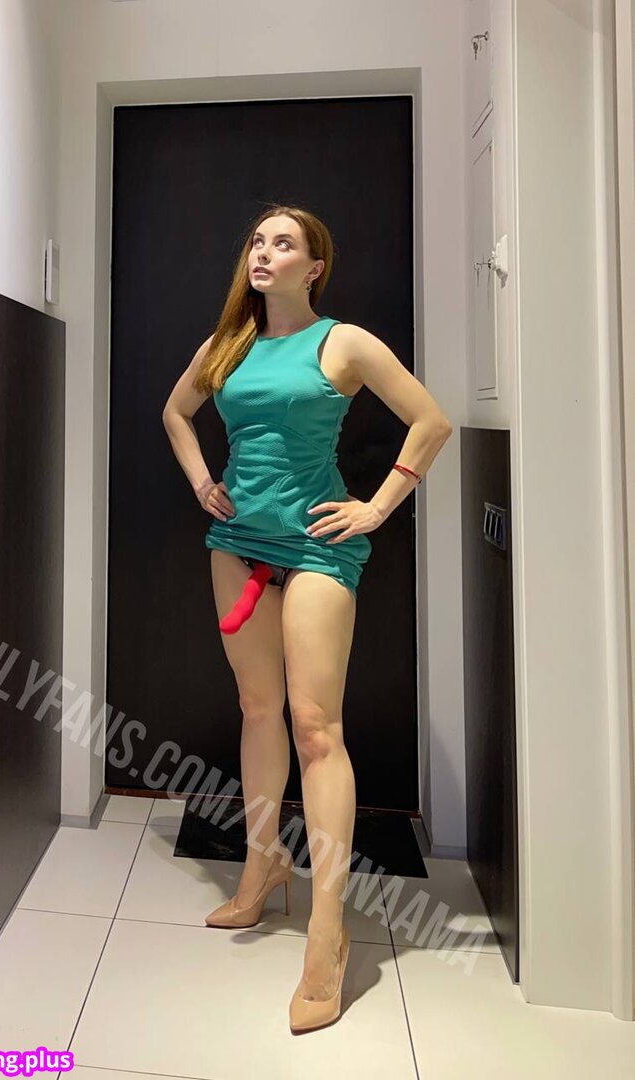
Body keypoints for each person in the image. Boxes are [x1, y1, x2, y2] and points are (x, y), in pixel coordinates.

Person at [162, 204, 452, 1033]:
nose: (263, 253)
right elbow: (176, 413)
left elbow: (431, 422)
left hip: (320, 545)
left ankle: (328, 931)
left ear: (313, 266)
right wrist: (202, 482)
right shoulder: (227, 345)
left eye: (282, 243)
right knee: (258, 709)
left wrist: (377, 508)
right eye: (257, 241)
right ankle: (263, 869)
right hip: (238, 543)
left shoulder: (343, 343)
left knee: (316, 727)